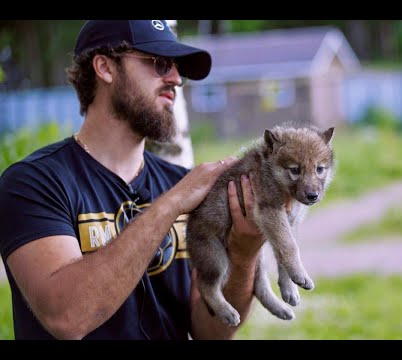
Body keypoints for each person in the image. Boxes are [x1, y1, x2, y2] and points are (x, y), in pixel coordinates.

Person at [0, 20, 265, 340]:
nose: (176, 79)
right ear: (105, 67)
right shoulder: (34, 183)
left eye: (177, 67)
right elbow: (67, 316)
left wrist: (244, 253)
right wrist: (171, 204)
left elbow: (211, 332)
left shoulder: (180, 183)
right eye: (160, 63)